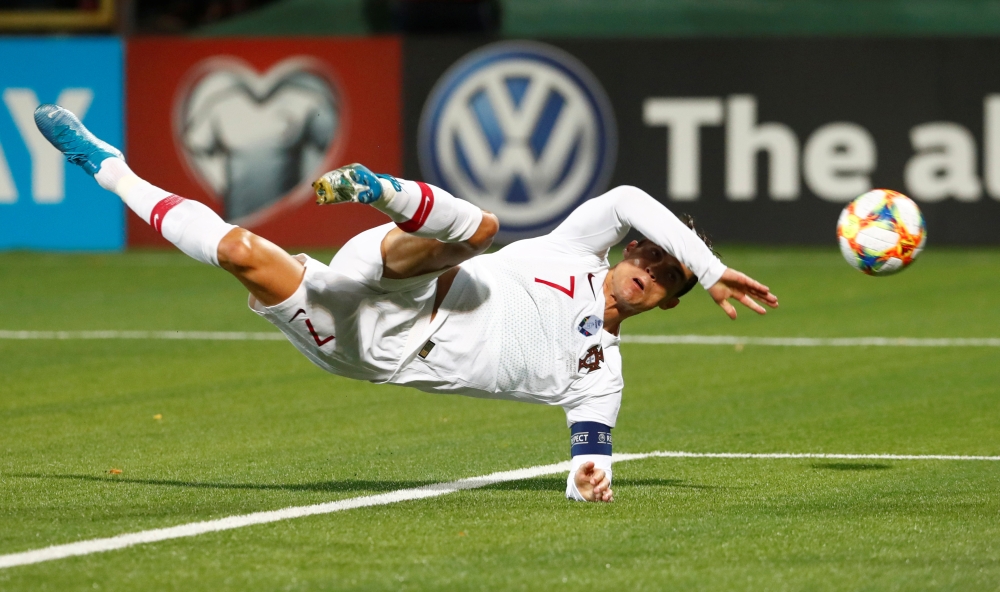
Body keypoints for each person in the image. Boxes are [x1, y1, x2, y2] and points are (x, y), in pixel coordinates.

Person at [34, 104, 778, 503]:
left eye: (667, 274)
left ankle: (109, 170)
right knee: (483, 230)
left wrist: (591, 481)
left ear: (670, 302)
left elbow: (590, 464)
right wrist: (709, 266)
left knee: (238, 254)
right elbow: (624, 198)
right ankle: (382, 191)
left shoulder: (600, 373)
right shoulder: (579, 249)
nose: (647, 265)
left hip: (369, 346)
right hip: (414, 274)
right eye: (648, 250)